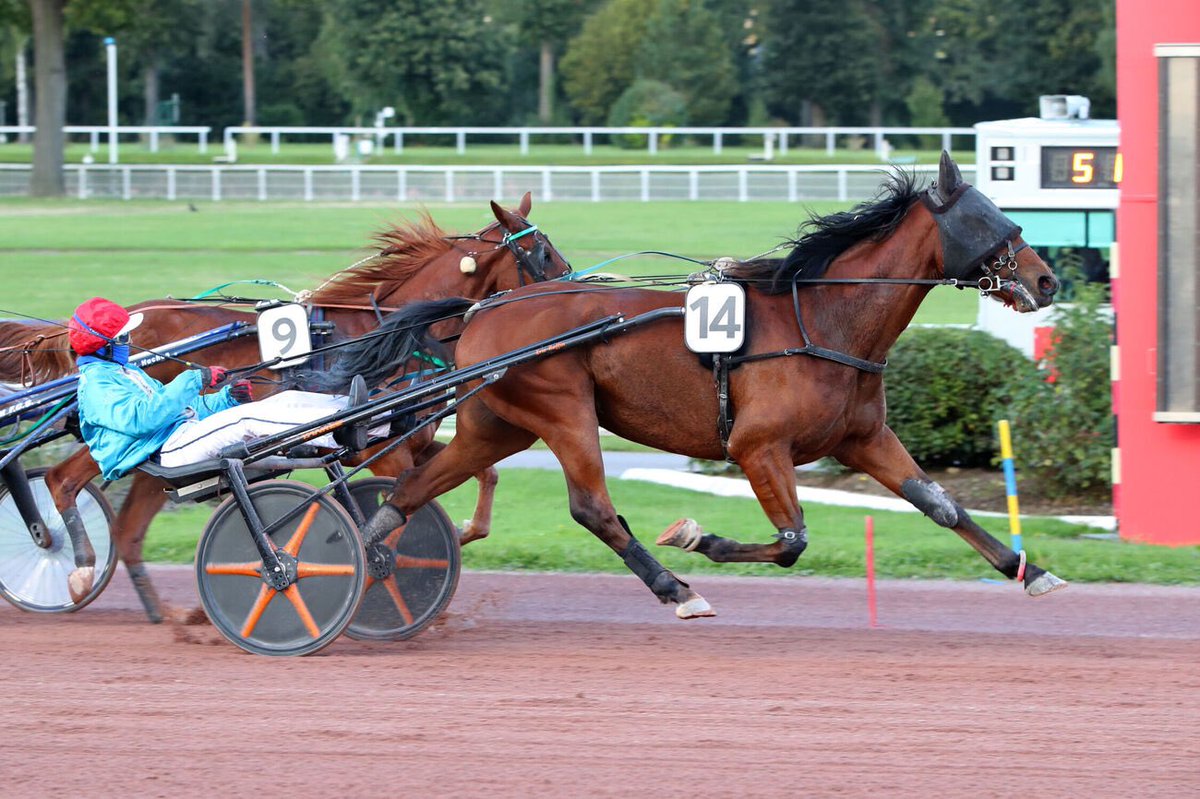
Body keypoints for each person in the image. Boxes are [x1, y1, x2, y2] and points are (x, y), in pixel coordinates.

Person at [70, 297, 365, 479]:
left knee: (283, 399)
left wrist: (225, 399)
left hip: (179, 436)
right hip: (165, 450)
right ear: (104, 346)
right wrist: (193, 380)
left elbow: (181, 408)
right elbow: (143, 419)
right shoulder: (98, 384)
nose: (128, 341)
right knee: (248, 421)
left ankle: (365, 417)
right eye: (122, 338)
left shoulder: (124, 372)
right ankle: (338, 430)